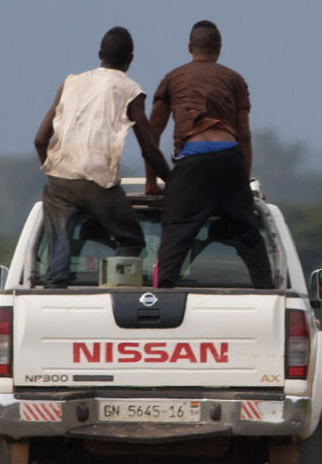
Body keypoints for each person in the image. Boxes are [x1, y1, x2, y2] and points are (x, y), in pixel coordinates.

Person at [34, 26, 172, 288]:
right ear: (130, 60)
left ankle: (55, 291)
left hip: (60, 179)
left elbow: (40, 139)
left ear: (100, 54)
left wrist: (52, 167)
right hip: (98, 180)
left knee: (59, 246)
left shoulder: (70, 82)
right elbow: (149, 148)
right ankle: (114, 289)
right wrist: (173, 181)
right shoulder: (130, 89)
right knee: (131, 238)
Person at [145, 20, 274, 289]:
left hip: (192, 161)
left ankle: (162, 296)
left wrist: (151, 182)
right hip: (229, 158)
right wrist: (243, 183)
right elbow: (245, 136)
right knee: (249, 233)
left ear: (190, 47)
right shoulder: (234, 79)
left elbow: (151, 135)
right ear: (219, 49)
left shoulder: (172, 78)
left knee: (176, 233)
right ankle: (266, 290)